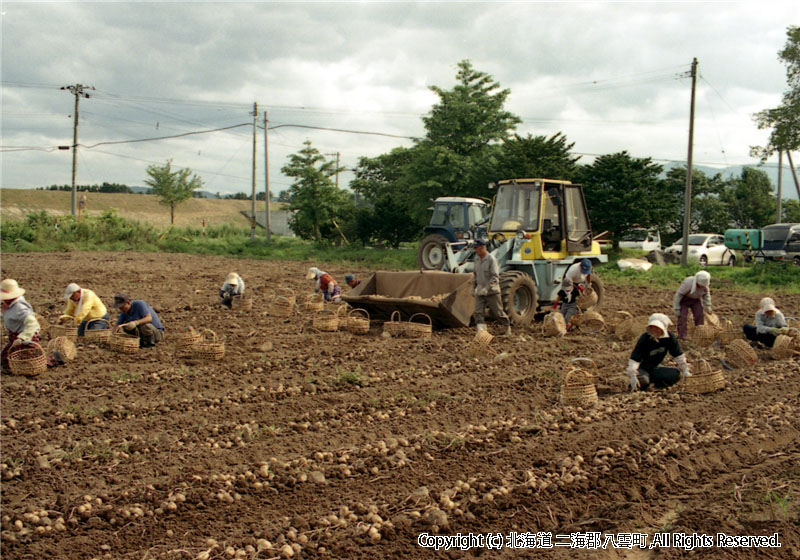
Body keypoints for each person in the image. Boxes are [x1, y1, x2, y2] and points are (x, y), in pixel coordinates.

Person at [627, 314, 691, 392]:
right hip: (642, 369)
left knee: (675, 374)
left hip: (654, 369)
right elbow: (635, 359)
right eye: (653, 328)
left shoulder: (669, 338)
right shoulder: (645, 338)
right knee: (643, 380)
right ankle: (639, 385)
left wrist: (685, 370)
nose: (655, 330)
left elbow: (678, 354)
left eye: (657, 328)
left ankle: (657, 386)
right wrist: (633, 375)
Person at [1, 279, 42, 372]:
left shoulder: (20, 308)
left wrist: (22, 338)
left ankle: (53, 359)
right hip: (14, 336)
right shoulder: (9, 305)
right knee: (4, 358)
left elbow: (32, 324)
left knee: (28, 361)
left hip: (25, 337)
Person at [472, 239, 511, 336]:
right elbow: (475, 275)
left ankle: (507, 327)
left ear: (482, 247)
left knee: (498, 313)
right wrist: (473, 288)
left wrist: (487, 288)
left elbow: (495, 277)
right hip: (480, 291)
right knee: (478, 312)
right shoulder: (476, 259)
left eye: (476, 247)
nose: (475, 250)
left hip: (492, 291)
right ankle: (481, 332)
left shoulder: (491, 259)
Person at [553, 258, 593, 327]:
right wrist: (577, 287)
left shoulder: (588, 268)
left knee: (582, 302)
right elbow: (568, 282)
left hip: (580, 282)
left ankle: (582, 317)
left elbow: (589, 275)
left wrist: (588, 284)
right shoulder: (573, 270)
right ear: (580, 266)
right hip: (572, 282)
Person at [673, 271, 712, 339]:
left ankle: (699, 333)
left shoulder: (705, 286)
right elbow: (678, 294)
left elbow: (706, 295)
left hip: (696, 300)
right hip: (684, 300)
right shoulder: (688, 283)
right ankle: (682, 336)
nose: (702, 286)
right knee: (682, 317)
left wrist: (708, 305)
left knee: (699, 315)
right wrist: (676, 308)